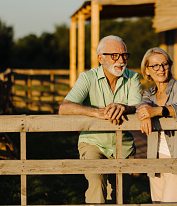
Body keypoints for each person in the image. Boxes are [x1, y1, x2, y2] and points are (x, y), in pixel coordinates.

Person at [59, 35, 142, 204]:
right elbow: (64, 107)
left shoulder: (133, 77)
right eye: (114, 56)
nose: (121, 60)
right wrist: (94, 113)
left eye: (124, 55)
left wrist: (125, 107)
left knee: (120, 195)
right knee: (97, 183)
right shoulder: (87, 78)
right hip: (93, 142)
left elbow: (138, 105)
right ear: (100, 58)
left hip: (124, 145)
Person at [137, 47, 177, 203]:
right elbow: (142, 107)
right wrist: (144, 113)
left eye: (164, 64)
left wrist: (158, 111)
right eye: (155, 65)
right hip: (154, 159)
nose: (161, 69)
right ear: (147, 70)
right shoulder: (148, 94)